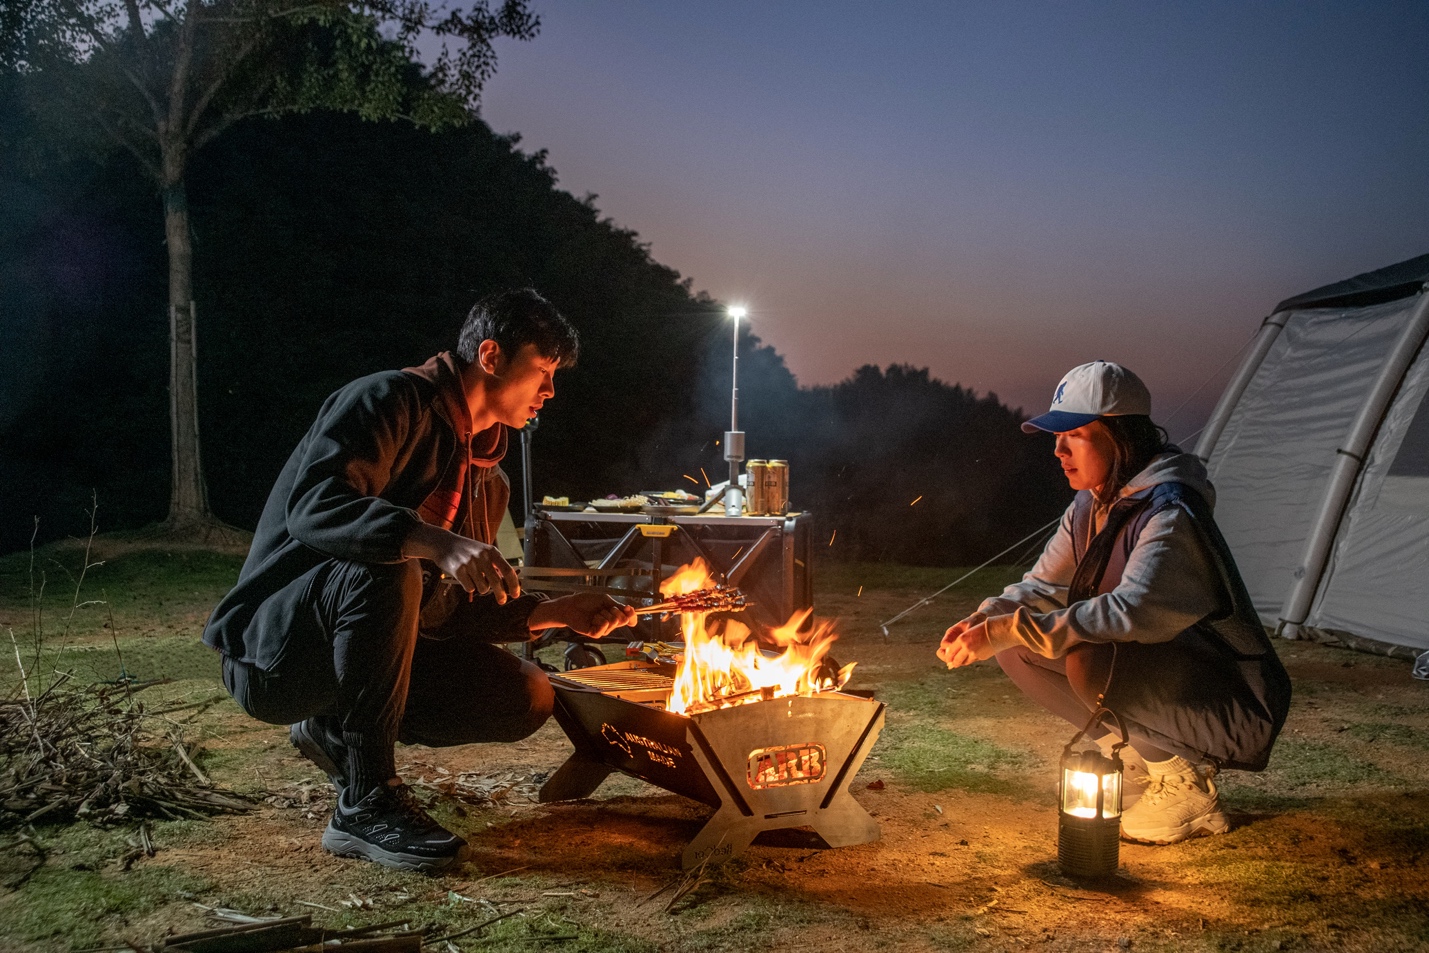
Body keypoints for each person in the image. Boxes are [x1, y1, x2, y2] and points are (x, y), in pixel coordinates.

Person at [202, 288, 636, 873]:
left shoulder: (487, 480)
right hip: (276, 656)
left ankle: (337, 730)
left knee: (528, 695)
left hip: (363, 651)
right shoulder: (388, 400)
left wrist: (557, 611)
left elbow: (442, 612)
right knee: (388, 564)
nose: (550, 392)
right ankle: (365, 800)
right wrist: (433, 540)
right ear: (491, 355)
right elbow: (313, 506)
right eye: (542, 372)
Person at [937, 361, 1290, 845]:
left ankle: (1185, 782)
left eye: (1075, 434)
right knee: (1018, 645)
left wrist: (1007, 628)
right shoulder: (1090, 502)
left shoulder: (1170, 510)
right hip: (1167, 672)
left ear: (1121, 437)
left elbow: (1131, 611)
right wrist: (987, 618)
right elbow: (1042, 586)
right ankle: (1140, 762)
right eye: (1056, 437)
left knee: (1085, 654)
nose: (1058, 450)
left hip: (1229, 693)